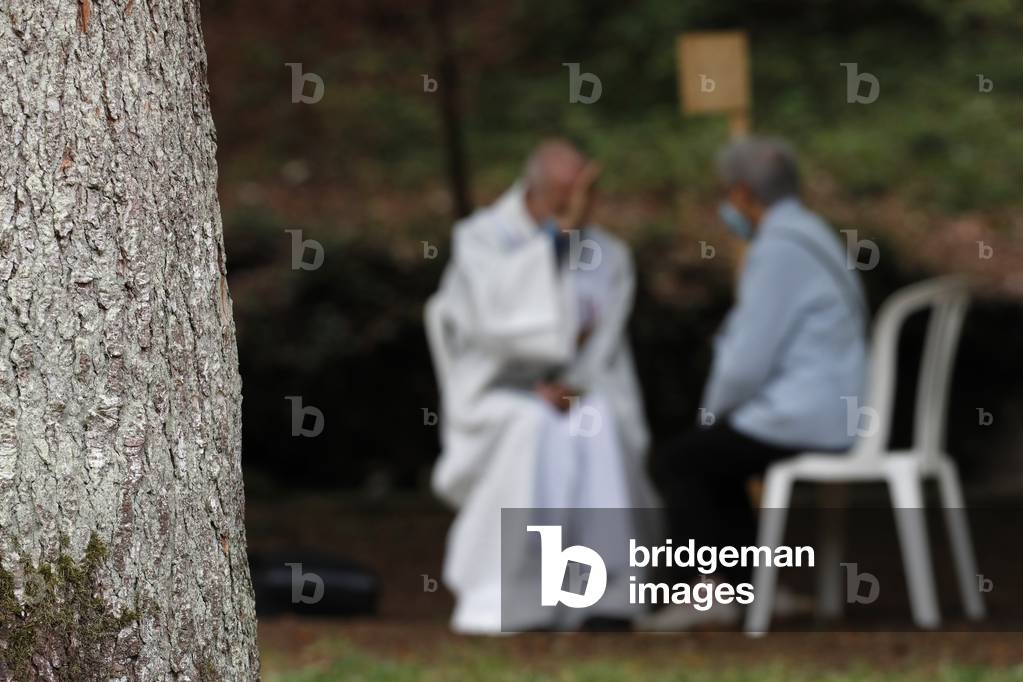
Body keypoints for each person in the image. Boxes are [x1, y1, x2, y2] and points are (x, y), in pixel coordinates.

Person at [427, 139, 655, 634]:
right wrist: (553, 241)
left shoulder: (608, 254)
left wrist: (571, 386)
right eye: (565, 194)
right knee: (535, 425)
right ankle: (512, 592)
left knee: (596, 424)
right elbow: (491, 327)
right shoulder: (482, 238)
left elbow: (603, 347)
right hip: (494, 393)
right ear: (539, 191)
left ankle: (600, 595)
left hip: (575, 392)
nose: (577, 207)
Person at [645, 136, 869, 630]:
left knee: (683, 460)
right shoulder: (813, 234)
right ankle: (752, 589)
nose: (726, 205)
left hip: (806, 414)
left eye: (727, 193)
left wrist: (711, 412)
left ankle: (705, 593)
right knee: (716, 460)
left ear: (745, 193)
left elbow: (746, 362)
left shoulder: (778, 249)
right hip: (832, 406)